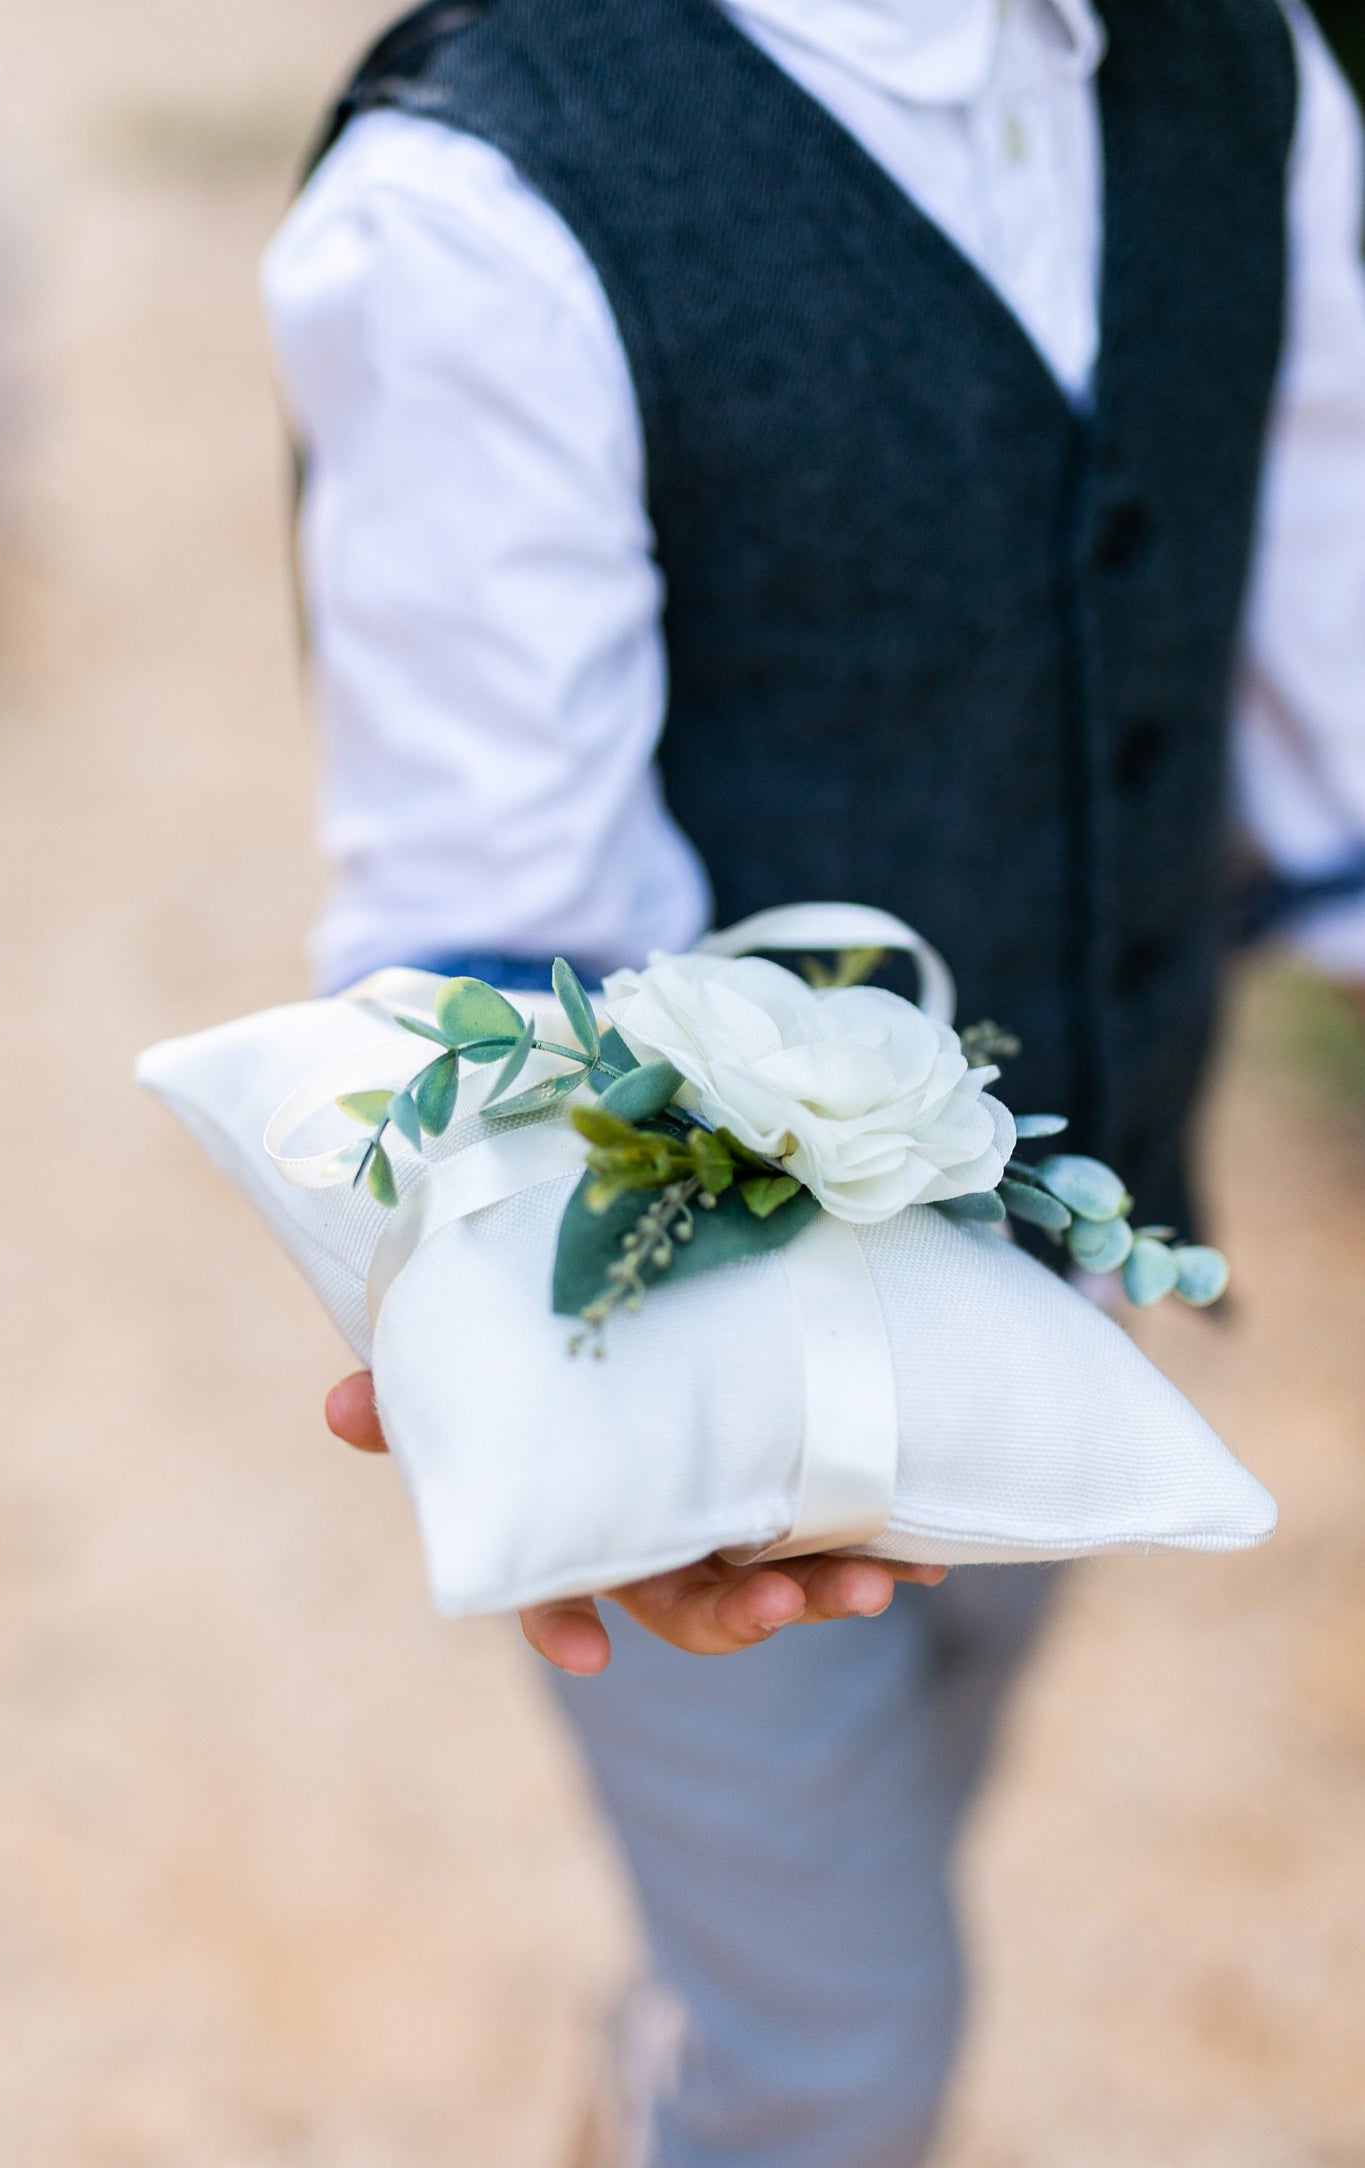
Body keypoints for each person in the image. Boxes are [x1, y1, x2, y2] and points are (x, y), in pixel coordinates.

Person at [262, 2, 1365, 2160]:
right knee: (843, 2050)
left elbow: (1321, 630)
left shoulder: (1248, 69)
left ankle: (682, 2048)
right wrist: (542, 1367)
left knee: (925, 1773)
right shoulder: (487, 196)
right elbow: (490, 922)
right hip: (704, 1378)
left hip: (1079, 1259)